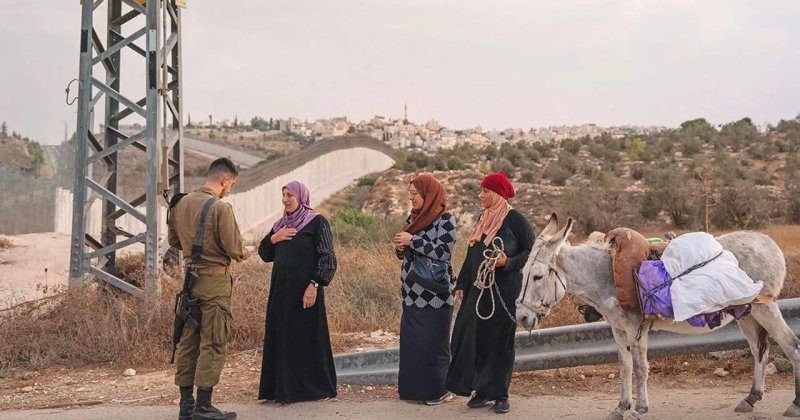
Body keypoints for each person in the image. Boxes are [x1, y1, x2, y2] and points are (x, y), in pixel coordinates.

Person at [446, 171, 534, 414]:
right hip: (477, 290)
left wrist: (507, 263)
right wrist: (462, 283)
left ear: (496, 194)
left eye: (485, 191)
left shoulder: (515, 219)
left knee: (500, 341)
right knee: (476, 337)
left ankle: (500, 393)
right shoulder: (483, 218)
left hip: (503, 292)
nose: (480, 195)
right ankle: (481, 389)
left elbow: (530, 251)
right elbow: (471, 253)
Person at [169, 157, 248, 420]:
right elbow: (235, 249)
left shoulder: (180, 203)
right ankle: (204, 406)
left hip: (191, 281)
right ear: (225, 180)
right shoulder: (220, 208)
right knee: (213, 341)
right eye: (232, 185)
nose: (230, 190)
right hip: (215, 282)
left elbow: (174, 241)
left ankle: (186, 406)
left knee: (189, 342)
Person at [258, 181, 338, 402]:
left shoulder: (316, 222)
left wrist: (314, 284)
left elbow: (327, 259)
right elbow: (264, 253)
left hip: (306, 292)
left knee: (306, 338)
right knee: (282, 338)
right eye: (283, 195)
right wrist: (274, 238)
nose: (285, 199)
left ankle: (314, 389)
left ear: (301, 197)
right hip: (281, 294)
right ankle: (280, 390)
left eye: (290, 195)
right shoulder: (280, 225)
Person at [393, 173, 458, 405]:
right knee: (412, 346)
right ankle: (411, 391)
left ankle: (437, 392)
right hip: (411, 294)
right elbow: (405, 254)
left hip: (436, 296)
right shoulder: (413, 218)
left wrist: (412, 241)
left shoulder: (446, 220)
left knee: (434, 346)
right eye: (409, 194)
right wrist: (401, 247)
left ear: (428, 195)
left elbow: (443, 252)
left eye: (415, 194)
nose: (411, 198)